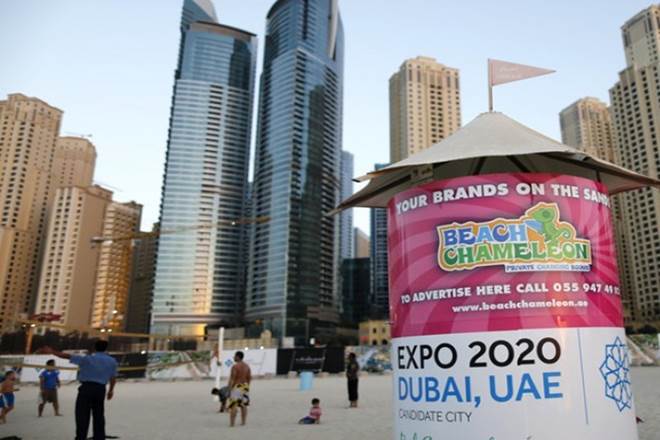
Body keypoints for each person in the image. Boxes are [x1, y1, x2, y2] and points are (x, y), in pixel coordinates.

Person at [41, 340, 117, 440]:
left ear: (94, 348)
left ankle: (81, 437)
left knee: (82, 414)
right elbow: (113, 378)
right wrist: (111, 390)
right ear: (106, 348)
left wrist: (52, 351)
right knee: (99, 415)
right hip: (100, 389)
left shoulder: (87, 359)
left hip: (87, 388)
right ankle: (99, 437)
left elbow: (66, 356)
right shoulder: (112, 361)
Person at [227, 351, 251, 427]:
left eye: (234, 356)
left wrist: (229, 389)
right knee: (244, 405)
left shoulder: (235, 366)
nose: (233, 357)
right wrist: (247, 386)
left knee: (234, 405)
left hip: (237, 386)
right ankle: (243, 422)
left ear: (238, 357)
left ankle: (232, 424)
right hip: (245, 385)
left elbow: (232, 378)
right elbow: (249, 377)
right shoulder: (247, 366)